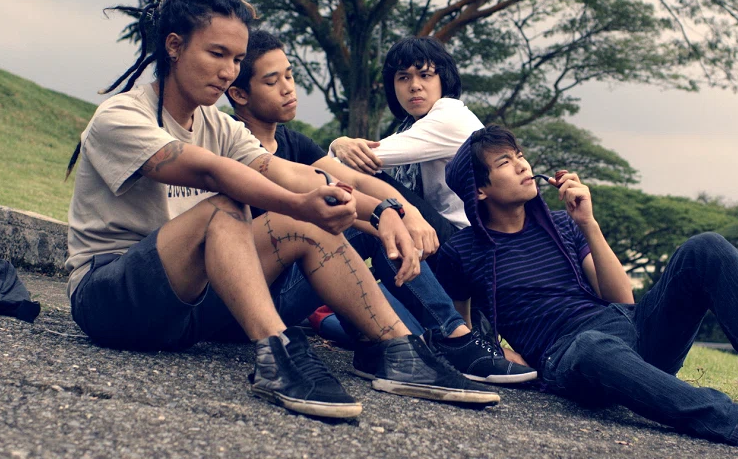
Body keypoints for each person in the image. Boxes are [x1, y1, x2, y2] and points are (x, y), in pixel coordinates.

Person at [64, 0, 500, 420]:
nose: (228, 72)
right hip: (112, 298)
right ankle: (278, 354)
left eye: (236, 59)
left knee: (299, 220)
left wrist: (382, 212)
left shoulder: (218, 125)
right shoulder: (121, 116)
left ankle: (400, 351)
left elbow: (293, 174)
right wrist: (299, 204)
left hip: (191, 309)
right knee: (226, 207)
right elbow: (212, 174)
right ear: (174, 45)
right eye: (217, 54)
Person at [431, 125, 738, 458]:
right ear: (481, 189)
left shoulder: (562, 226)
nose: (524, 164)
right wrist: (502, 359)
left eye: (521, 154)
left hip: (628, 332)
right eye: (505, 162)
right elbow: (461, 330)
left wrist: (588, 222)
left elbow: (622, 298)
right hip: (572, 357)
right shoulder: (464, 252)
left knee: (707, 248)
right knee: (592, 346)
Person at [224, 29, 536, 385]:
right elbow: (349, 171)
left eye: (290, 75)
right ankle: (448, 337)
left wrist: (398, 211)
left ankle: (417, 340)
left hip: (464, 250)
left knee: (374, 219)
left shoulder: (294, 142)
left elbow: (352, 177)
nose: (288, 88)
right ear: (239, 93)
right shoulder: (230, 139)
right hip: (248, 303)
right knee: (350, 218)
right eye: (272, 81)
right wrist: (388, 208)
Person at [329, 36, 483, 242]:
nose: (414, 86)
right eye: (403, 78)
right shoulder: (412, 127)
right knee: (370, 213)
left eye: (425, 75)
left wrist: (338, 145)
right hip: (446, 234)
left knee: (376, 199)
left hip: (466, 241)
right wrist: (339, 145)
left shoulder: (449, 117)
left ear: (443, 80)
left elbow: (350, 162)